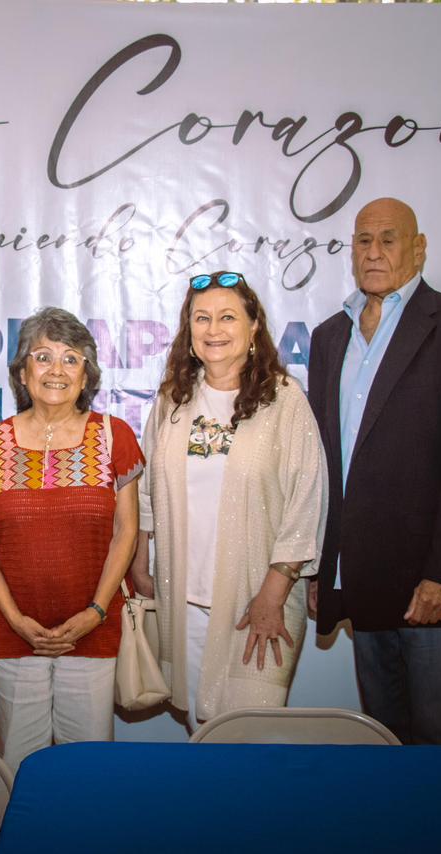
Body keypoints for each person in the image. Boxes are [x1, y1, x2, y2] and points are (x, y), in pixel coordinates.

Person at [307, 197, 441, 745]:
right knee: (384, 742)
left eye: (388, 240)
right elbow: (325, 465)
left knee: (437, 746)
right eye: (363, 241)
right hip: (359, 582)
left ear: (418, 249)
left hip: (429, 588)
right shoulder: (329, 337)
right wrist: (324, 568)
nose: (373, 252)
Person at [128, 271, 326, 731]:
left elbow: (307, 500)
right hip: (183, 599)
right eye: (202, 318)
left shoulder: (285, 400)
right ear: (189, 330)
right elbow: (147, 489)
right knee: (199, 727)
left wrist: (274, 594)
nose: (213, 329)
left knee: (248, 732)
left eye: (227, 317)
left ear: (253, 326)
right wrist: (140, 561)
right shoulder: (173, 400)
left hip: (257, 602)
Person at [0, 307, 143, 770]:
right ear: (23, 372)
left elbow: (126, 532)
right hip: (13, 631)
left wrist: (95, 612)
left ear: (87, 375)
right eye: (43, 357)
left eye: (71, 358)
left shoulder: (114, 436)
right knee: (19, 764)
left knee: (88, 768)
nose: (56, 370)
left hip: (93, 629)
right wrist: (14, 618)